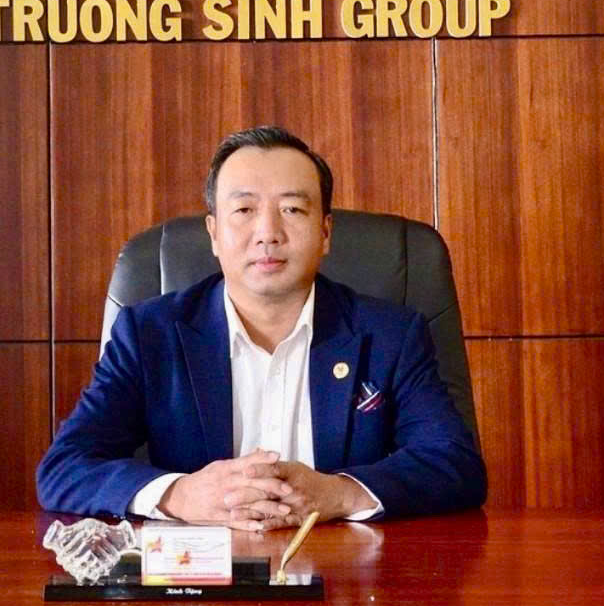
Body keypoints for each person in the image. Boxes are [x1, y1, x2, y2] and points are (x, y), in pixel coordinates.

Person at [37, 126, 486, 531]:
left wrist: (337, 494)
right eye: (244, 209)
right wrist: (181, 495)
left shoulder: (391, 335)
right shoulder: (149, 334)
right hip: (199, 582)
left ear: (325, 232)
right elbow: (65, 468)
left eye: (292, 209)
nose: (268, 232)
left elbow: (455, 464)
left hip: (345, 577)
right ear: (214, 233)